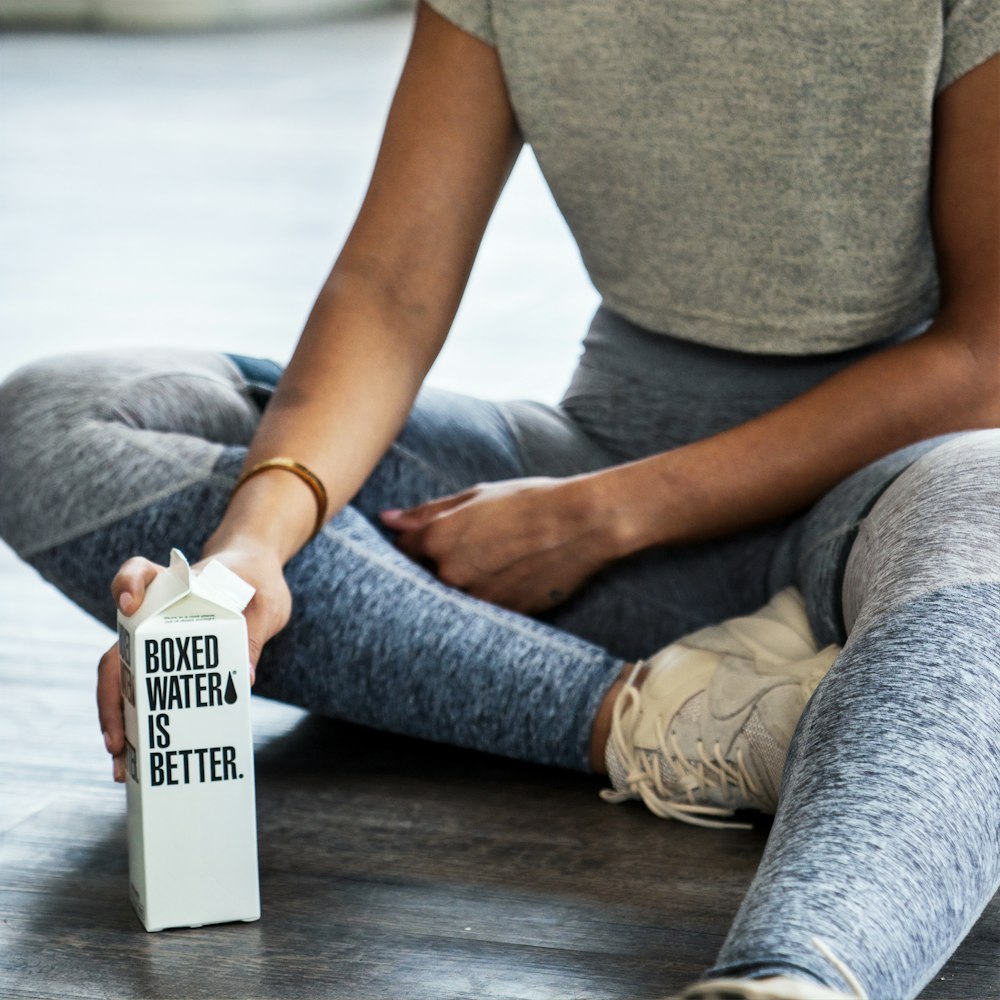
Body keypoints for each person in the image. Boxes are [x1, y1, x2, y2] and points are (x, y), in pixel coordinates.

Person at [0, 2, 997, 997]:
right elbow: (390, 288)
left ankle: (799, 975)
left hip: (894, 495)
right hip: (603, 475)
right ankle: (695, 724)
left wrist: (598, 516)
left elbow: (984, 355)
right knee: (61, 414)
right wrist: (251, 547)